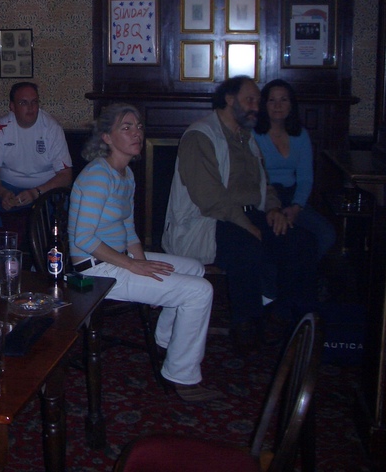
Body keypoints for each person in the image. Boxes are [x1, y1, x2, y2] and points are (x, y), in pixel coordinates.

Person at [68, 104, 220, 402]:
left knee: (194, 268)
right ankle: (181, 375)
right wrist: (133, 266)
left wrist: (141, 262)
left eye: (138, 126)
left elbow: (128, 229)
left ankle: (167, 339)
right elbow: (83, 238)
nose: (136, 133)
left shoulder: (125, 174)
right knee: (200, 291)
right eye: (126, 127)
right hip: (94, 270)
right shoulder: (98, 176)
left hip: (115, 259)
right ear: (107, 137)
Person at [162, 77, 318, 352]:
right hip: (210, 221)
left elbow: (265, 183)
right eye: (250, 100)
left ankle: (282, 317)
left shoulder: (247, 137)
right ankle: (246, 327)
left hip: (250, 214)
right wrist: (247, 224)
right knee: (246, 248)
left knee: (302, 242)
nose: (257, 106)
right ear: (229, 99)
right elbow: (209, 197)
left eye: (258, 101)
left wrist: (274, 209)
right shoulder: (200, 136)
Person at [0, 82, 73, 228]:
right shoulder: (1, 127)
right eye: (23, 103)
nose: (30, 107)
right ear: (12, 106)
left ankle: (51, 243)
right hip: (9, 187)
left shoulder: (52, 128)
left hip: (45, 188)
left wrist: (36, 192)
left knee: (68, 201)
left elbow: (65, 175)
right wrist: (2, 193)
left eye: (34, 102)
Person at [254, 79, 336, 259]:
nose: (278, 105)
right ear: (264, 104)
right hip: (264, 196)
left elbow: (305, 178)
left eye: (283, 100)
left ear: (291, 105)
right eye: (272, 100)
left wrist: (297, 206)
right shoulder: (253, 134)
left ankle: (307, 273)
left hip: (293, 197)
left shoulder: (300, 135)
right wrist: (272, 208)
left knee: (326, 234)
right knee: (284, 238)